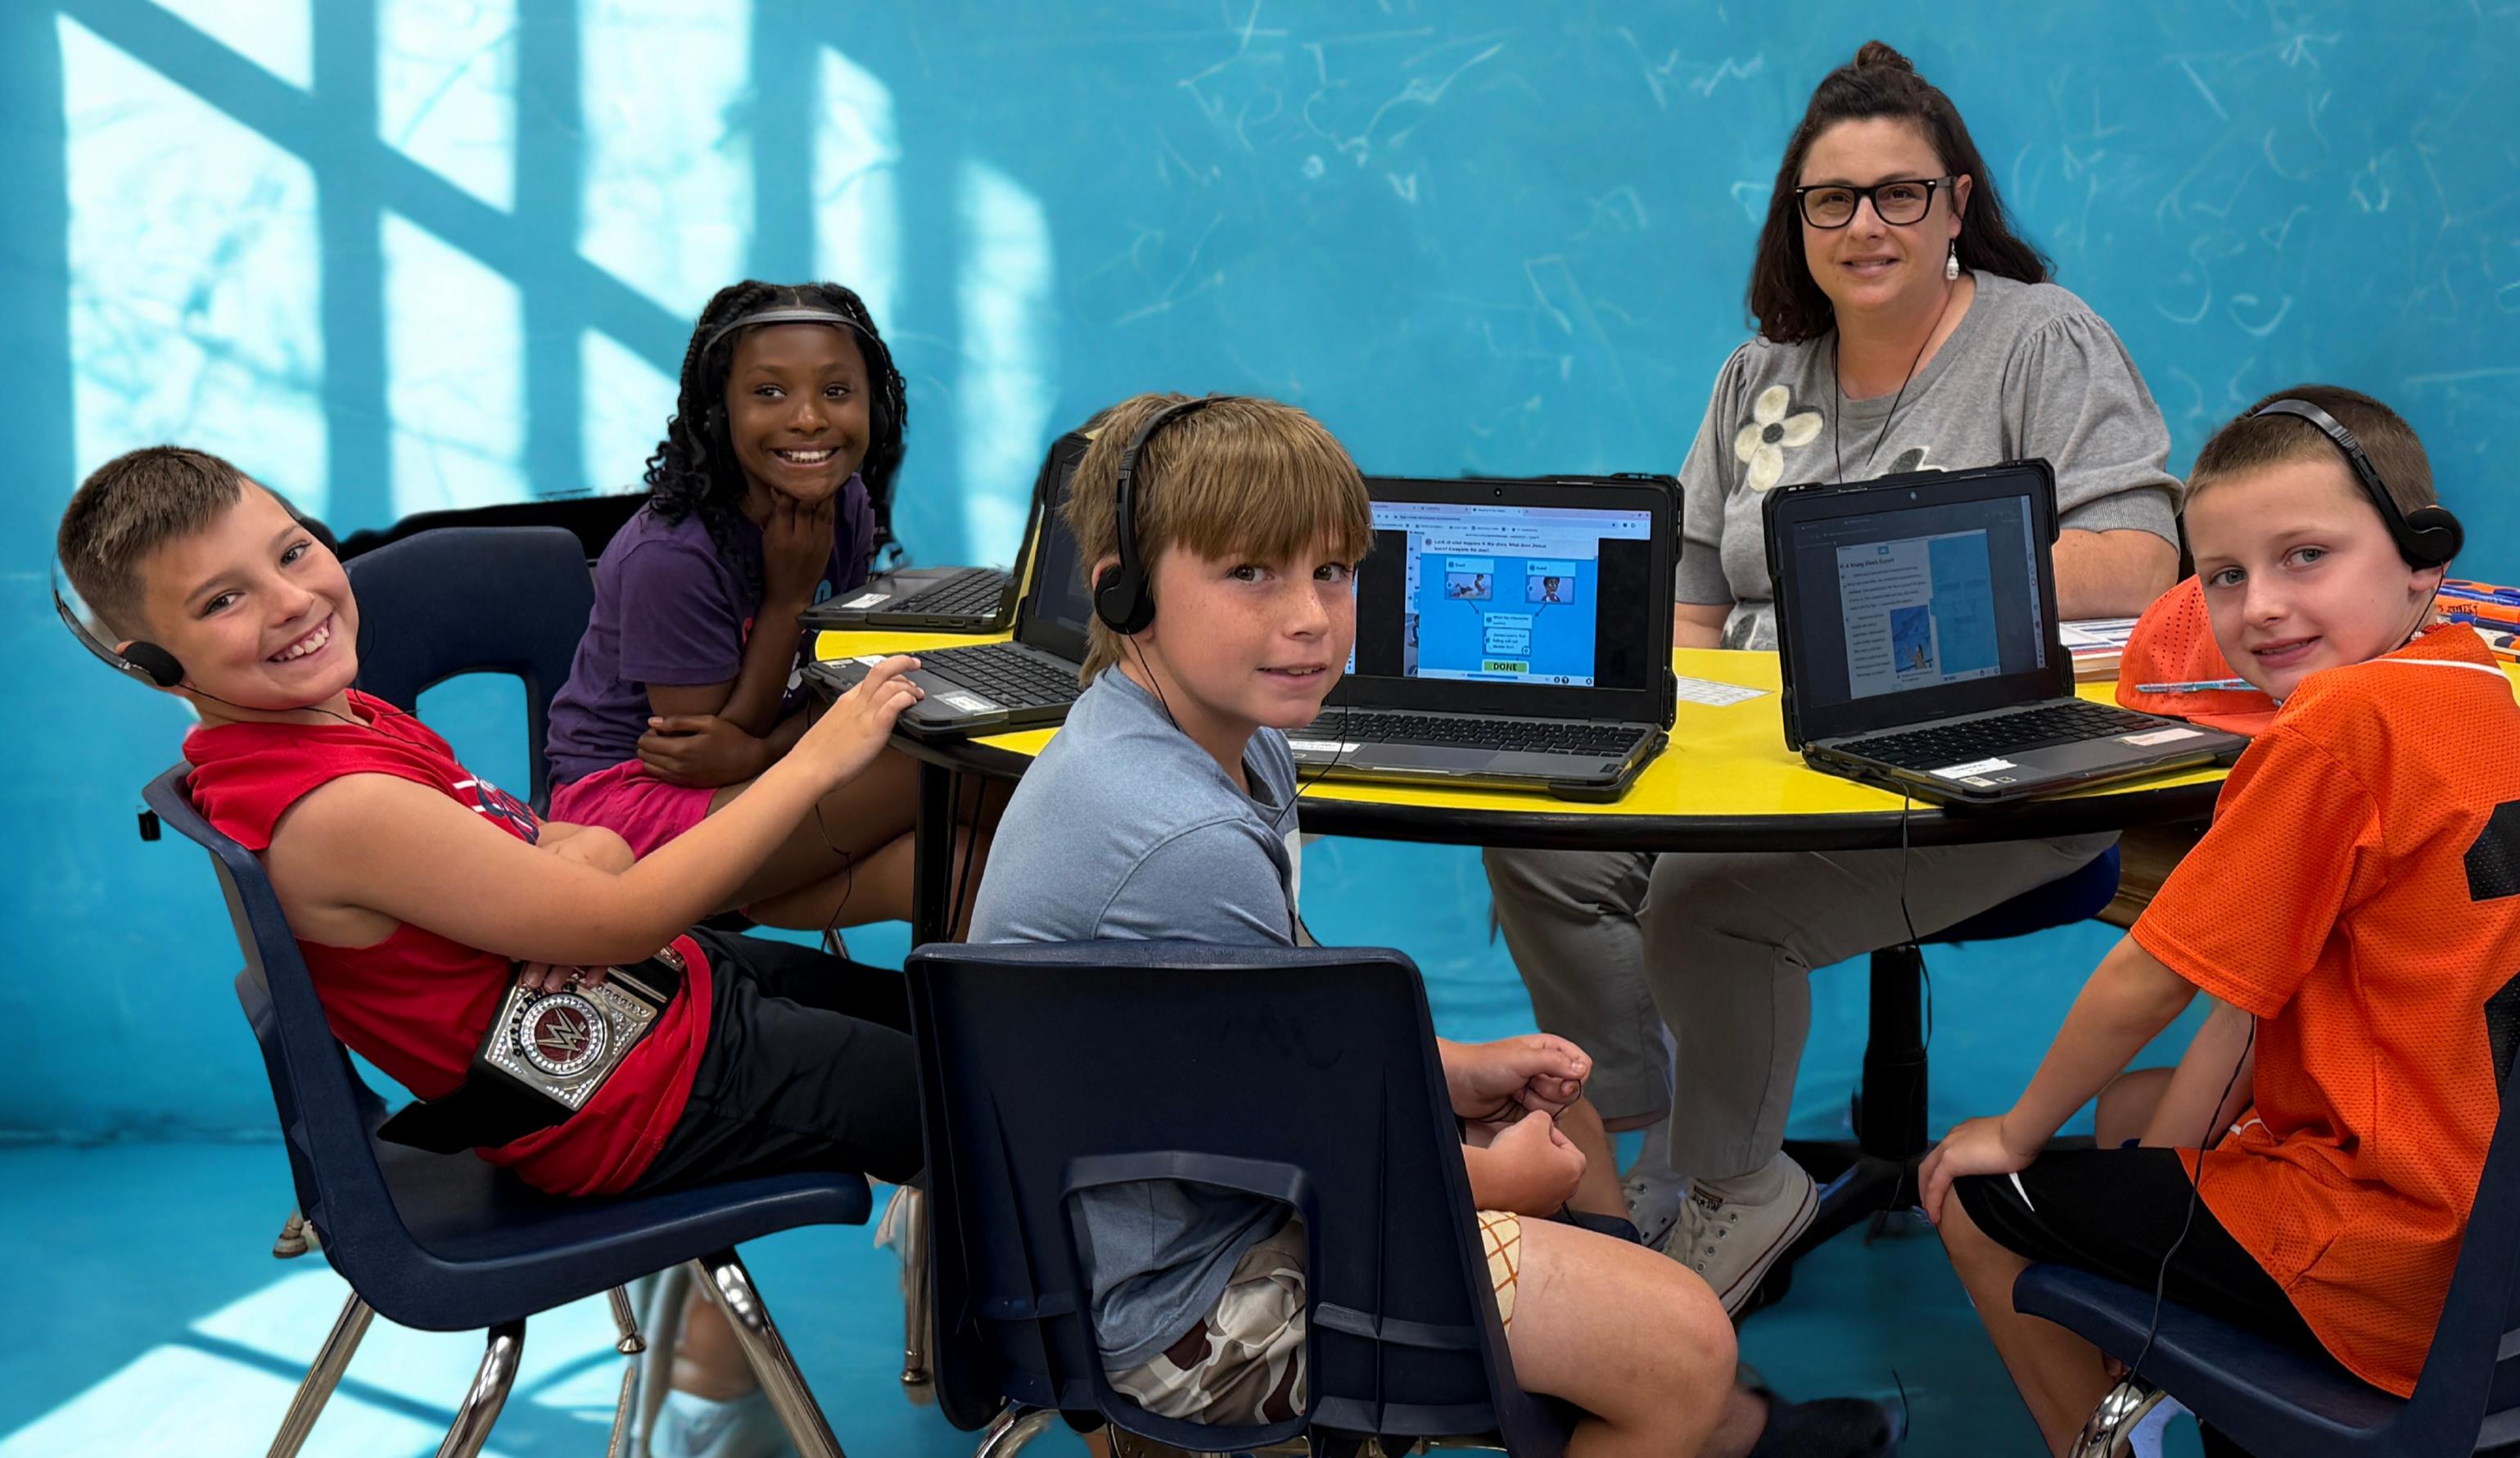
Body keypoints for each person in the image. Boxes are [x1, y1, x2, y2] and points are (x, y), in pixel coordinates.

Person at [968, 394, 1895, 1458]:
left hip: (1169, 1209)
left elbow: (1269, 1033)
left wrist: (1449, 1074)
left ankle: (1649, 1393)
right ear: (1123, 590)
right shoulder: (1179, 838)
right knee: (1685, 1336)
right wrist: (1492, 1182)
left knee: (1577, 1125)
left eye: (1329, 570)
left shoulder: (1201, 737)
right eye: (1248, 574)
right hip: (1184, 1306)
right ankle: (1682, 1400)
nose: (1310, 616)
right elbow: (1290, 1143)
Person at [1484, 38, 2183, 1309]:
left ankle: (1741, 1182)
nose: (1864, 224)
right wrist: (1675, 756)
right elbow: (1691, 591)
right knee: (1541, 840)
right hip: (1755, 763)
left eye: (1898, 192)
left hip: (1979, 773)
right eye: (1831, 199)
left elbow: (2141, 565)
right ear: (1795, 217)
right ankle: (1639, 1154)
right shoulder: (1756, 373)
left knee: (1701, 903)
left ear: (1955, 204)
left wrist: (1911, 569)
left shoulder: (2043, 341)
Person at [59, 445, 934, 1457]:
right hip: (638, 1096)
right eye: (223, 600)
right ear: (150, 661)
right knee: (985, 1107)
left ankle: (970, 1236)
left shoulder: (333, 721)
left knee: (959, 1026)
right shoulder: (339, 807)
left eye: (293, 550)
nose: (292, 601)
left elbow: (567, 854)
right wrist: (818, 761)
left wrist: (582, 889)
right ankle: (1088, 1352)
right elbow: (612, 916)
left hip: (653, 1011)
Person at [1917, 386, 2520, 1456]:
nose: (2257, 605)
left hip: (2413, 1254)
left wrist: (2012, 1133)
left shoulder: (2338, 726)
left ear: (2421, 559)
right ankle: (2183, 1388)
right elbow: (2248, 1008)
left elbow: (2147, 978)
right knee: (2136, 1108)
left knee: (1970, 1195)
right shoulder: (2472, 684)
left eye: (2305, 556)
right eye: (2222, 575)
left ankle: (2109, 1437)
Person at [544, 279, 958, 930]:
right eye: (769, 392)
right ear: (718, 412)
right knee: (946, 769)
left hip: (769, 777)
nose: (808, 419)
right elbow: (708, 752)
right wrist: (789, 594)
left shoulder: (843, 503)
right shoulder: (671, 557)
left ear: (874, 406)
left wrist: (767, 755)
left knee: (971, 863)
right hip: (626, 816)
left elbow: (824, 687)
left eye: (836, 391)